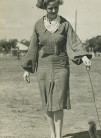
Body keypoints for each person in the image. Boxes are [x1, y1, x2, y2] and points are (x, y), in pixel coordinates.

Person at [21, 0, 92, 138]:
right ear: (44, 7)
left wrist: (83, 57)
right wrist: (27, 69)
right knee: (47, 102)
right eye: (50, 8)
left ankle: (58, 136)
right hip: (43, 67)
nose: (53, 11)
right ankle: (52, 134)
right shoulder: (38, 25)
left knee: (58, 102)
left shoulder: (65, 24)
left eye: (56, 8)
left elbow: (74, 42)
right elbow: (33, 48)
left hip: (61, 66)